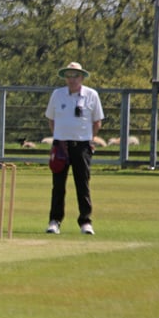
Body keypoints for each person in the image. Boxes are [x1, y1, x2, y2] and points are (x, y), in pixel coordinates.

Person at [44, 62, 104, 235]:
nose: (72, 79)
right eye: (69, 76)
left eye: (75, 76)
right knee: (58, 186)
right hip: (61, 145)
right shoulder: (57, 94)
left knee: (82, 184)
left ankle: (85, 222)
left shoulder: (91, 95)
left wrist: (90, 140)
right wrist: (59, 138)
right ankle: (54, 221)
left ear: (82, 77)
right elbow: (51, 120)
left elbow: (97, 122)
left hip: (82, 145)